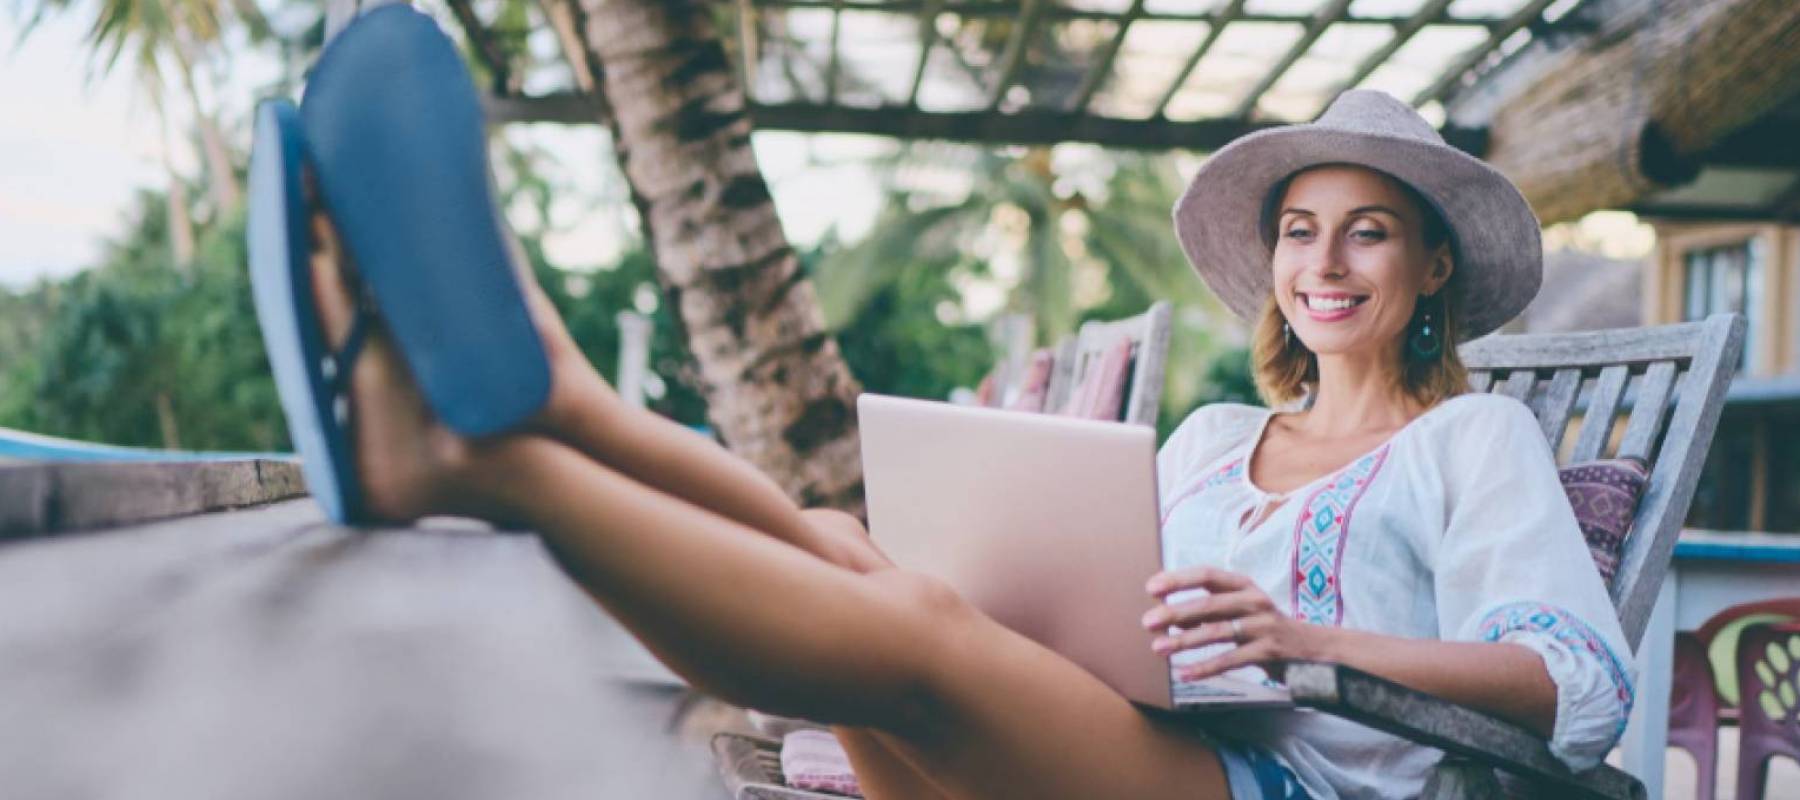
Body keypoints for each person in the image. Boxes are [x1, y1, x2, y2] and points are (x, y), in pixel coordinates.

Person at [278, 90, 1632, 800]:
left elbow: (1575, 680)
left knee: (910, 631)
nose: (1323, 262)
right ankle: (557, 398)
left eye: (1369, 229)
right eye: (1299, 228)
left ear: (1434, 264)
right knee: (843, 547)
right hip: (1126, 749)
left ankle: (483, 461)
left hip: (1286, 786)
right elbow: (1117, 611)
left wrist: (1312, 639)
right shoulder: (1218, 435)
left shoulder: (1471, 438)